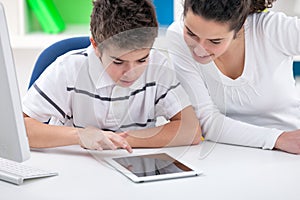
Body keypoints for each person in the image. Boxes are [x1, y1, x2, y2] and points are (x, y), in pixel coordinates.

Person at [22, 0, 202, 153]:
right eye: (118, 62)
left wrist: (121, 140)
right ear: (96, 46)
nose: (131, 72)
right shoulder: (68, 69)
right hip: (77, 172)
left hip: (133, 171)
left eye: (141, 59)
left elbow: (191, 129)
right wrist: (80, 136)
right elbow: (19, 129)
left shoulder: (158, 66)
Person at [166, 0, 300, 154]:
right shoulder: (177, 36)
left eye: (215, 41)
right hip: (225, 154)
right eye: (191, 33)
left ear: (239, 28)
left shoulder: (272, 30)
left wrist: (283, 139)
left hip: (289, 153)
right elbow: (207, 121)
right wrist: (277, 139)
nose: (199, 49)